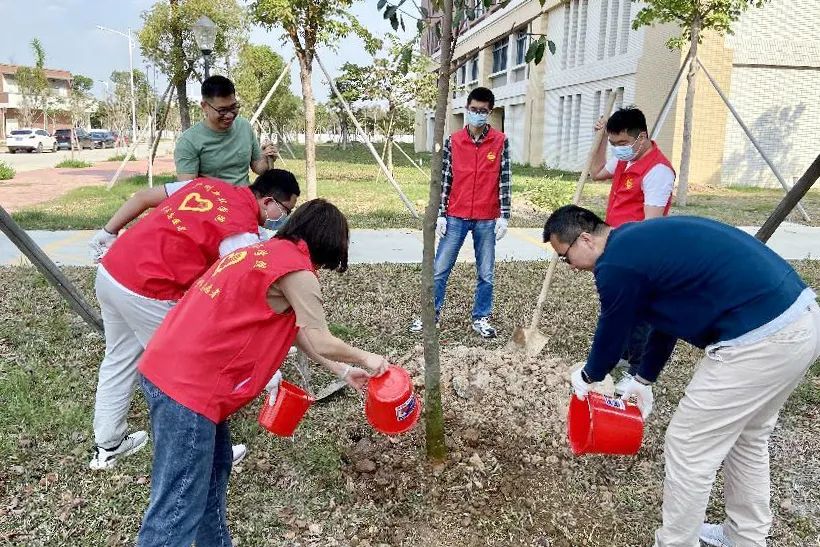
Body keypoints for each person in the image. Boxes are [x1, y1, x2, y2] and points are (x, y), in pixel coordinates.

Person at [544, 205, 819, 547]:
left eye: (565, 257)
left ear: (584, 239)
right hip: (800, 319)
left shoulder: (614, 263)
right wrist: (643, 379)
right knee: (748, 438)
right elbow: (664, 321)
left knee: (688, 445)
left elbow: (612, 329)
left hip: (760, 338)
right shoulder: (636, 244)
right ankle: (745, 538)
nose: (568, 267)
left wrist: (589, 375)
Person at [135, 199, 389, 546]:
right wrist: (369, 359)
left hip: (168, 367)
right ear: (328, 242)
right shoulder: (297, 270)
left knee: (211, 475)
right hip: (189, 389)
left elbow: (295, 330)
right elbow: (320, 338)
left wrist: (343, 371)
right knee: (177, 506)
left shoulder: (263, 253)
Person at [86, 170, 300, 470]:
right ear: (268, 201)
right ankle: (212, 452)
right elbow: (239, 290)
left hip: (113, 270)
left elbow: (144, 197)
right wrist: (262, 363)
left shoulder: (207, 185)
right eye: (285, 210)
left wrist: (107, 233)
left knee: (119, 358)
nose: (283, 216)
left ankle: (108, 445)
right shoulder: (240, 231)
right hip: (148, 290)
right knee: (192, 371)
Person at [409, 86, 511, 338]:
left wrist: (504, 215)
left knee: (486, 272)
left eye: (483, 111)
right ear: (467, 109)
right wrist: (441, 213)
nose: (478, 114)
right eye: (474, 110)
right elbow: (446, 179)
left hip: (487, 218)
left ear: (489, 112)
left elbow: (504, 179)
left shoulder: (500, 141)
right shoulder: (453, 142)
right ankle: (429, 317)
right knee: (440, 269)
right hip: (456, 215)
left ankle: (481, 317)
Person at [590, 106, 676, 394]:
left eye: (622, 144)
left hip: (638, 251)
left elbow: (651, 225)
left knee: (639, 312)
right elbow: (595, 172)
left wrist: (629, 253)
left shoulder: (658, 171)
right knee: (618, 306)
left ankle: (637, 369)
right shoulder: (624, 162)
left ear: (642, 138)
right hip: (617, 246)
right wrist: (602, 138)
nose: (618, 150)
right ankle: (622, 355)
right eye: (614, 144)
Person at [175, 75, 278, 186]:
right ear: (205, 106)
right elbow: (186, 188)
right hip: (213, 201)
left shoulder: (244, 127)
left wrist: (266, 158)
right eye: (222, 110)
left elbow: (258, 167)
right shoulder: (189, 141)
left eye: (233, 107)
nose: (229, 115)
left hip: (245, 197)